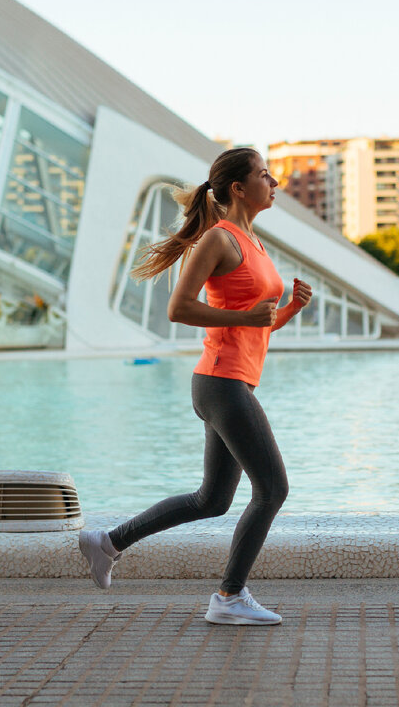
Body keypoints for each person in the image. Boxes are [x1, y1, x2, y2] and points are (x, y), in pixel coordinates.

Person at [78, 147, 312, 626]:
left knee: (212, 500)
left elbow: (256, 326)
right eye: (265, 175)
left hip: (231, 382)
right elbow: (178, 309)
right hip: (220, 383)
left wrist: (287, 310)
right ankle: (229, 596)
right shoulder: (218, 240)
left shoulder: (253, 240)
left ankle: (107, 543)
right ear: (238, 189)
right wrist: (246, 315)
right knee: (272, 489)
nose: (275, 183)